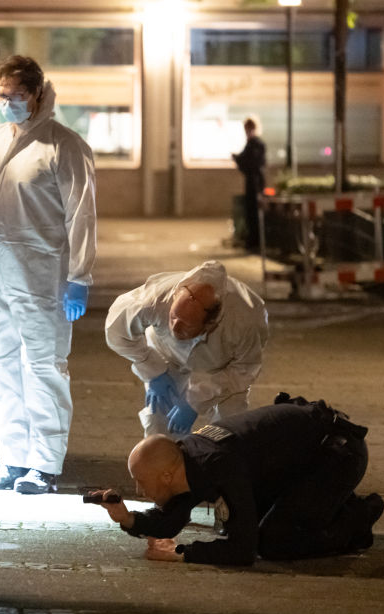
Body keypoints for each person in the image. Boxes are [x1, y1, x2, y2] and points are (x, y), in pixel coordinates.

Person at [0, 55, 97, 495]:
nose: (8, 103)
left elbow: (82, 215)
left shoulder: (63, 146)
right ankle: (12, 459)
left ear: (37, 93)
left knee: (43, 366)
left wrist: (79, 277)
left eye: (17, 95)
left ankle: (44, 466)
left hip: (42, 275)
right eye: (2, 96)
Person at [92, 395, 384, 566]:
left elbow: (244, 551)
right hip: (299, 464)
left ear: (167, 475)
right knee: (263, 523)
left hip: (338, 456)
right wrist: (127, 518)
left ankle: (357, 518)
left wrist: (183, 554)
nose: (138, 490)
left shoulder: (217, 464)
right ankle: (329, 508)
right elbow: (171, 520)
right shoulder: (185, 462)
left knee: (274, 542)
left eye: (141, 481)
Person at [105, 261, 269, 439]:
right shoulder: (155, 299)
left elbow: (244, 368)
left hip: (223, 365)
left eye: (186, 325)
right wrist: (151, 367)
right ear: (175, 297)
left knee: (228, 428)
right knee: (159, 423)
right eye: (173, 317)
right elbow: (116, 330)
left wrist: (196, 400)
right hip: (166, 354)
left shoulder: (245, 320)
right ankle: (164, 465)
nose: (175, 327)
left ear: (210, 324)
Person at [232, 117, 266, 251]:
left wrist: (238, 159)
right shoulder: (255, 144)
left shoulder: (254, 144)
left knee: (253, 212)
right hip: (256, 181)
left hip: (255, 182)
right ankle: (253, 240)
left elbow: (249, 163)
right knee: (252, 212)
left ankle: (254, 241)